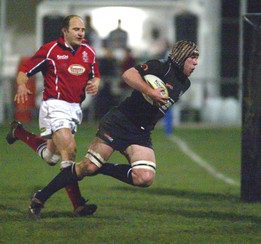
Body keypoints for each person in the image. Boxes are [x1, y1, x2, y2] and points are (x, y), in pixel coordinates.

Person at [27, 40, 199, 219]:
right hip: (119, 122)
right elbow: (128, 74)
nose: (195, 62)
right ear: (181, 57)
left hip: (140, 132)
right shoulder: (161, 67)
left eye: (197, 58)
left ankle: (101, 168)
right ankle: (39, 199)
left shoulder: (184, 84)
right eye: (192, 58)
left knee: (144, 178)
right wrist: (149, 91)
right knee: (88, 167)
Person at [6, 15, 101, 217]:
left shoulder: (89, 52)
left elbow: (96, 74)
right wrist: (22, 84)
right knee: (70, 150)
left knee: (52, 156)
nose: (80, 33)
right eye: (76, 29)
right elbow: (25, 70)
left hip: (75, 109)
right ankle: (70, 204)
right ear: (64, 31)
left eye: (82, 30)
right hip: (54, 106)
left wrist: (96, 83)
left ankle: (19, 132)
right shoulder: (50, 50)